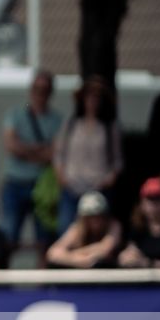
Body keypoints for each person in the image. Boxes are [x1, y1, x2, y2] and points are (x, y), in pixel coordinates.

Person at [0, 70, 60, 253]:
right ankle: (4, 279)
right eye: (36, 89)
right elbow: (11, 145)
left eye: (45, 90)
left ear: (50, 92)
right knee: (8, 237)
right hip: (15, 183)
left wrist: (25, 149)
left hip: (42, 187)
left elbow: (54, 154)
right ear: (30, 90)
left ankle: (44, 281)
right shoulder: (16, 114)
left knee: (44, 240)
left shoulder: (57, 119)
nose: (40, 93)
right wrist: (39, 149)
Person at [54, 76, 121, 236]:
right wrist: (61, 175)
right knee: (65, 229)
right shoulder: (71, 124)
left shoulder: (109, 127)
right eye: (89, 97)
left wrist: (109, 178)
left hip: (98, 187)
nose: (92, 101)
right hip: (72, 186)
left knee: (97, 233)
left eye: (97, 97)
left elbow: (118, 161)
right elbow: (59, 154)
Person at [47, 190, 123, 269]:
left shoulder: (114, 225)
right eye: (90, 217)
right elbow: (53, 253)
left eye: (98, 216)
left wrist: (73, 254)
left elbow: (105, 249)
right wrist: (79, 260)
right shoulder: (77, 229)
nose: (95, 221)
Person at [118, 177, 160, 268]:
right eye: (149, 199)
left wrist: (149, 263)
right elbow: (128, 254)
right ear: (142, 203)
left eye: (158, 199)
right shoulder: (137, 229)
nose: (154, 206)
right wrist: (126, 257)